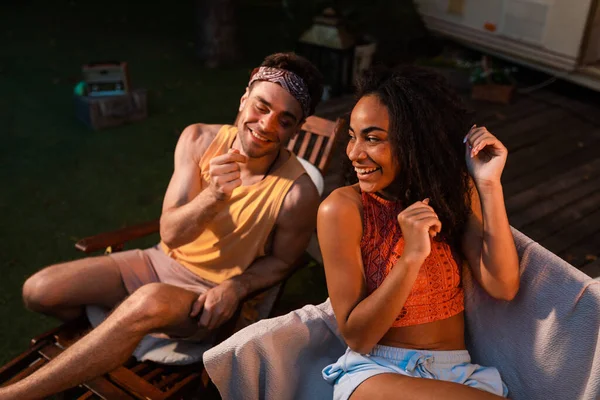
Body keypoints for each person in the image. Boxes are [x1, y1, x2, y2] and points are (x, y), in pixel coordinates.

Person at [1, 52, 323, 399]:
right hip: (157, 261)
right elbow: (170, 233)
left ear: (297, 128)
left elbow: (284, 261)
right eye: (261, 107)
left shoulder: (298, 193)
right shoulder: (198, 139)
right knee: (38, 290)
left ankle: (14, 395)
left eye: (285, 120)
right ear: (244, 98)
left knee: (148, 301)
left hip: (204, 298)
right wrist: (214, 194)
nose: (266, 126)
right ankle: (118, 335)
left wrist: (236, 287)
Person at [318, 66, 520, 400]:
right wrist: (411, 255)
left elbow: (504, 285)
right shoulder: (342, 209)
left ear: (414, 141)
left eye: (372, 138)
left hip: (458, 375)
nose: (354, 152)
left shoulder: (452, 196)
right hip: (378, 371)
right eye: (353, 136)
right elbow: (358, 336)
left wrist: (487, 184)